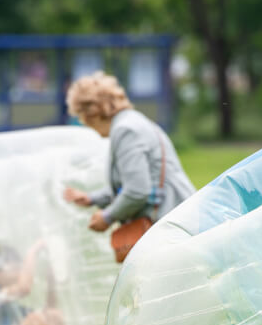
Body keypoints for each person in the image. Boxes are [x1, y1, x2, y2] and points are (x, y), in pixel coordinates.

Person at [62, 71, 195, 262]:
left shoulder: (126, 131)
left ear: (91, 113)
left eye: (81, 117)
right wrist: (92, 198)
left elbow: (137, 191)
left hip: (169, 228)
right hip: (176, 221)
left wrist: (107, 216)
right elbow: (131, 184)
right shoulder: (133, 122)